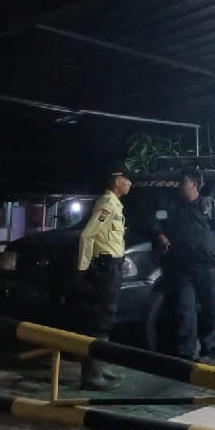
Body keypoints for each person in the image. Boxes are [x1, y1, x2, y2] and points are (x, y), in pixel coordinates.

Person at [152, 167, 215, 363]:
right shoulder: (173, 208)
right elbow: (154, 221)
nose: (179, 187)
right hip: (184, 269)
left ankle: (208, 350)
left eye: (183, 183)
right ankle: (185, 352)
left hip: (209, 268)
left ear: (194, 185)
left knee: (211, 310)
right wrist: (159, 234)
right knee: (185, 311)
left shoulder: (210, 206)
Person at [77, 164, 133, 390]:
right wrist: (83, 267)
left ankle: (102, 366)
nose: (130, 183)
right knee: (100, 319)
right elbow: (87, 235)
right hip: (106, 267)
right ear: (117, 182)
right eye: (127, 180)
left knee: (107, 317)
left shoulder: (115, 204)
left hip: (113, 266)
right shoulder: (107, 204)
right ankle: (91, 375)